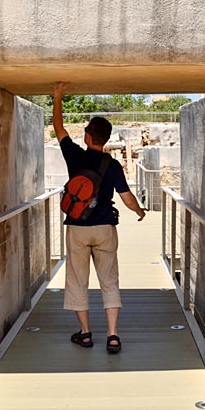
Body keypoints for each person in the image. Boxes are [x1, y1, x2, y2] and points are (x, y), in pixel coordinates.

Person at [53, 82, 146, 353]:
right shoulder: (113, 165)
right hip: (105, 227)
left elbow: (58, 128)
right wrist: (140, 212)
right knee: (109, 280)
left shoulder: (75, 157)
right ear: (105, 138)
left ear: (87, 136)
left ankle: (85, 334)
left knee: (78, 281)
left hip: (78, 227)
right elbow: (127, 197)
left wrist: (58, 97)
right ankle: (113, 335)